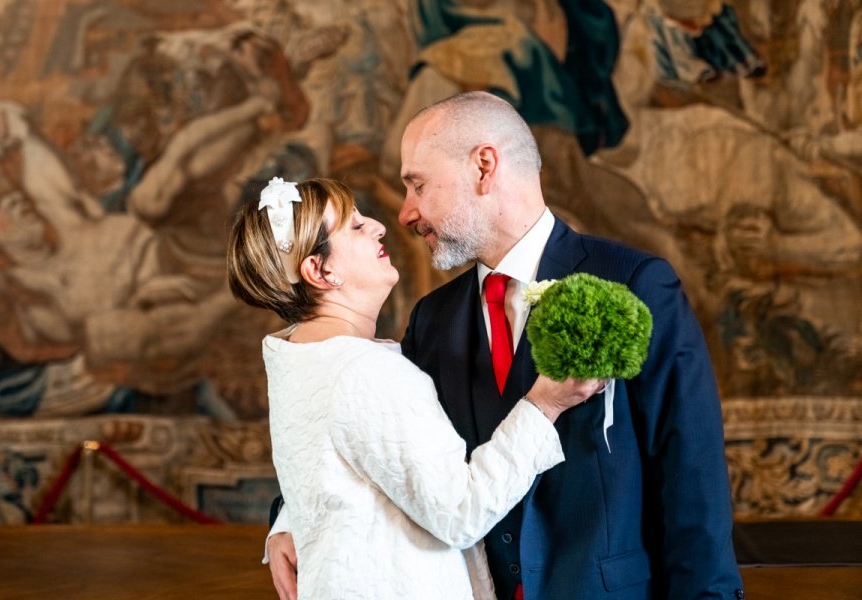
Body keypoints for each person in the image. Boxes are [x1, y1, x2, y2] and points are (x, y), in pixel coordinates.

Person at [269, 92, 745, 599]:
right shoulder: (434, 318)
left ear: (484, 167)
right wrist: (289, 518)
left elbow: (692, 471)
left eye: (418, 185)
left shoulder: (634, 283)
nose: (405, 214)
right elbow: (370, 432)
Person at [228, 176, 604, 599]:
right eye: (354, 226)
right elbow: (461, 512)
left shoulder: (295, 356)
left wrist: (288, 521)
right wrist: (544, 405)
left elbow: (330, 470)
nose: (379, 226)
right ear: (320, 270)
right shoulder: (365, 371)